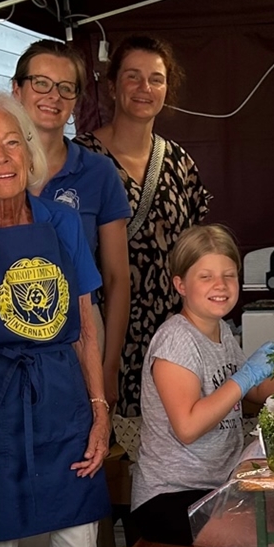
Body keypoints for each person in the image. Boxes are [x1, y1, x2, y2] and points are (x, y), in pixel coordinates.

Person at [0, 90, 111, 547]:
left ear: (29, 151)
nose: (0, 159)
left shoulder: (61, 220)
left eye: (11, 143)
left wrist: (99, 411)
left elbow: (85, 324)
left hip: (63, 396)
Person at [77, 34, 212, 436]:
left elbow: (197, 257)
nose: (144, 88)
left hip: (172, 337)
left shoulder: (179, 163)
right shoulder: (82, 159)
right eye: (132, 77)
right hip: (103, 333)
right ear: (113, 85)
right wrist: (107, 361)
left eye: (155, 79)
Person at [131, 224, 274, 546]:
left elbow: (248, 396)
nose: (221, 285)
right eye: (206, 276)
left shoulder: (221, 330)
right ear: (180, 284)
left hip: (221, 485)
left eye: (229, 275)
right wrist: (245, 376)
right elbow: (188, 426)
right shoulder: (176, 341)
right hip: (171, 497)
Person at [12, 39, 130, 370]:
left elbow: (116, 277)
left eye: (66, 88)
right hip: (3, 339)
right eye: (41, 83)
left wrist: (108, 368)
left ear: (77, 100)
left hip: (79, 335)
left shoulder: (99, 172)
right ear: (16, 89)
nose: (54, 96)